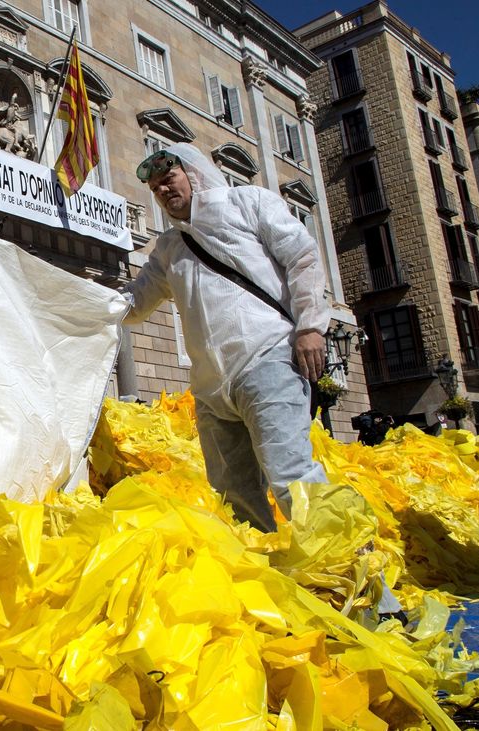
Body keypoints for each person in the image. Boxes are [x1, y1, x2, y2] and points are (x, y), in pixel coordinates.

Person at [124, 143, 332, 533]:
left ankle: (361, 584)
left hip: (267, 360)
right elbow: (136, 302)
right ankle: (265, 579)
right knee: (233, 495)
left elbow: (302, 257)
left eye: (168, 179)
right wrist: (70, 298)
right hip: (209, 391)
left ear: (193, 173)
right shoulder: (169, 248)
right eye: (155, 189)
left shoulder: (246, 203)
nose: (163, 191)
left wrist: (309, 326)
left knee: (293, 479)